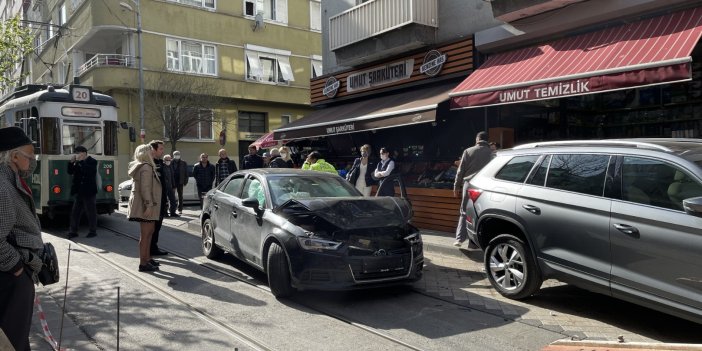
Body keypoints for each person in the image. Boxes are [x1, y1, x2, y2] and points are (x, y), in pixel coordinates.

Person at [0, 127, 44, 351]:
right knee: (12, 340)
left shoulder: (9, 178)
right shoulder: (3, 185)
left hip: (13, 275)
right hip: (11, 277)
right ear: (14, 155)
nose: (32, 162)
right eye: (29, 157)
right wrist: (17, 267)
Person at [453, 131, 492, 248]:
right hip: (485, 186)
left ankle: (459, 239)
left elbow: (460, 171)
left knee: (464, 211)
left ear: (477, 139)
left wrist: (456, 186)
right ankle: (473, 243)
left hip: (469, 184)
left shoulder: (468, 151)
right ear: (487, 140)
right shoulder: (492, 153)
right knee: (479, 214)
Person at [127, 143, 162, 272]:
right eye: (150, 151)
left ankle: (147, 259)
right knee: (146, 234)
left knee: (149, 233)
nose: (153, 152)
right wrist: (148, 205)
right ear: (145, 153)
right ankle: (143, 263)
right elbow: (145, 189)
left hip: (147, 205)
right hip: (146, 205)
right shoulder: (146, 167)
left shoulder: (145, 166)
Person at [67, 145, 98, 238]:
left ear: (84, 153)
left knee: (91, 212)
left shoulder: (92, 161)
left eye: (78, 153)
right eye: (76, 153)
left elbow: (89, 171)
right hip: (79, 191)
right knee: (75, 212)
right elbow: (70, 172)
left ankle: (93, 231)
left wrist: (81, 162)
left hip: (89, 191)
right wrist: (71, 163)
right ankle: (73, 231)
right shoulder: (77, 162)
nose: (76, 155)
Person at [149, 140, 168, 256]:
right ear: (154, 149)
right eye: (160, 149)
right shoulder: (149, 163)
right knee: (151, 228)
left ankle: (153, 247)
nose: (162, 151)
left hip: (162, 199)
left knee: (158, 226)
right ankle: (149, 251)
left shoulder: (160, 162)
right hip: (154, 201)